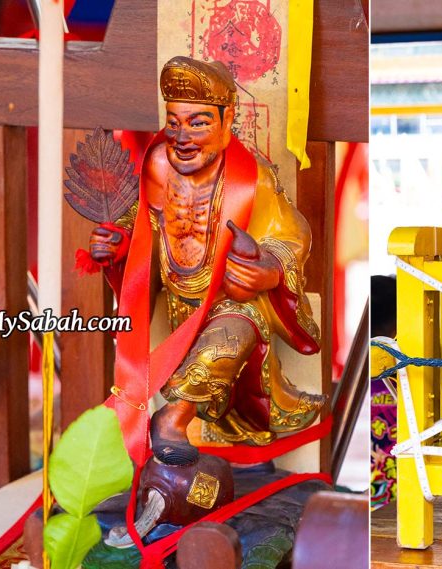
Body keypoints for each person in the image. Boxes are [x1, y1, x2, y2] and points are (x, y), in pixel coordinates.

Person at [88, 56, 324, 466]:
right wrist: (117, 243)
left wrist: (267, 268)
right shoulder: (157, 166)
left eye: (198, 123)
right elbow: (138, 222)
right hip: (179, 300)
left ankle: (173, 417)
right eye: (174, 122)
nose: (182, 136)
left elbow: (292, 235)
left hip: (233, 300)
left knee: (231, 335)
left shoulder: (253, 178)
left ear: (226, 119)